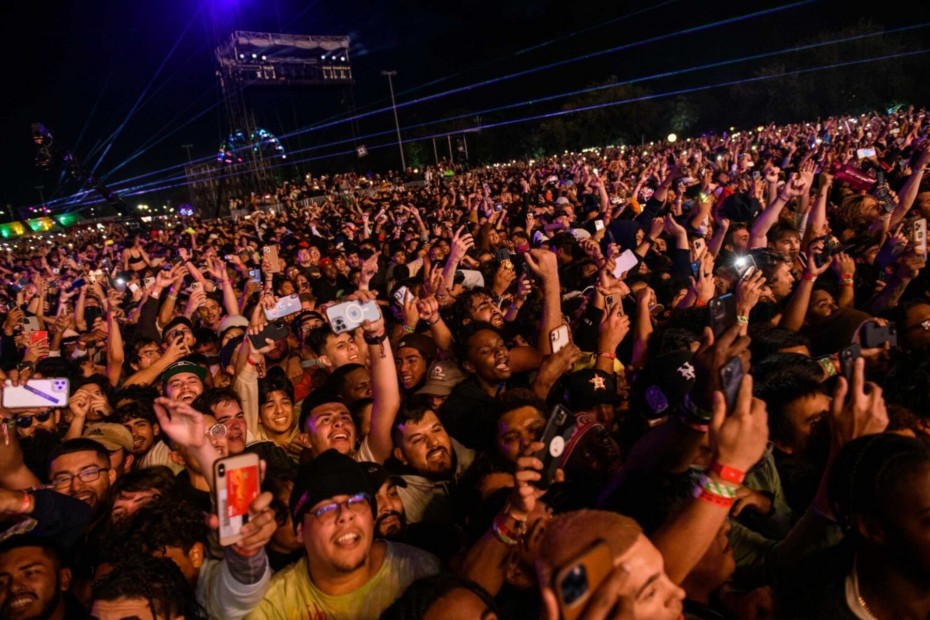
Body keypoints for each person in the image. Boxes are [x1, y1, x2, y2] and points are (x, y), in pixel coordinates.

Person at [247, 450, 439, 619]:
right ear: (300, 532)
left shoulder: (422, 574)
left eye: (356, 500)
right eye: (325, 509)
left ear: (372, 516)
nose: (345, 514)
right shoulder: (273, 606)